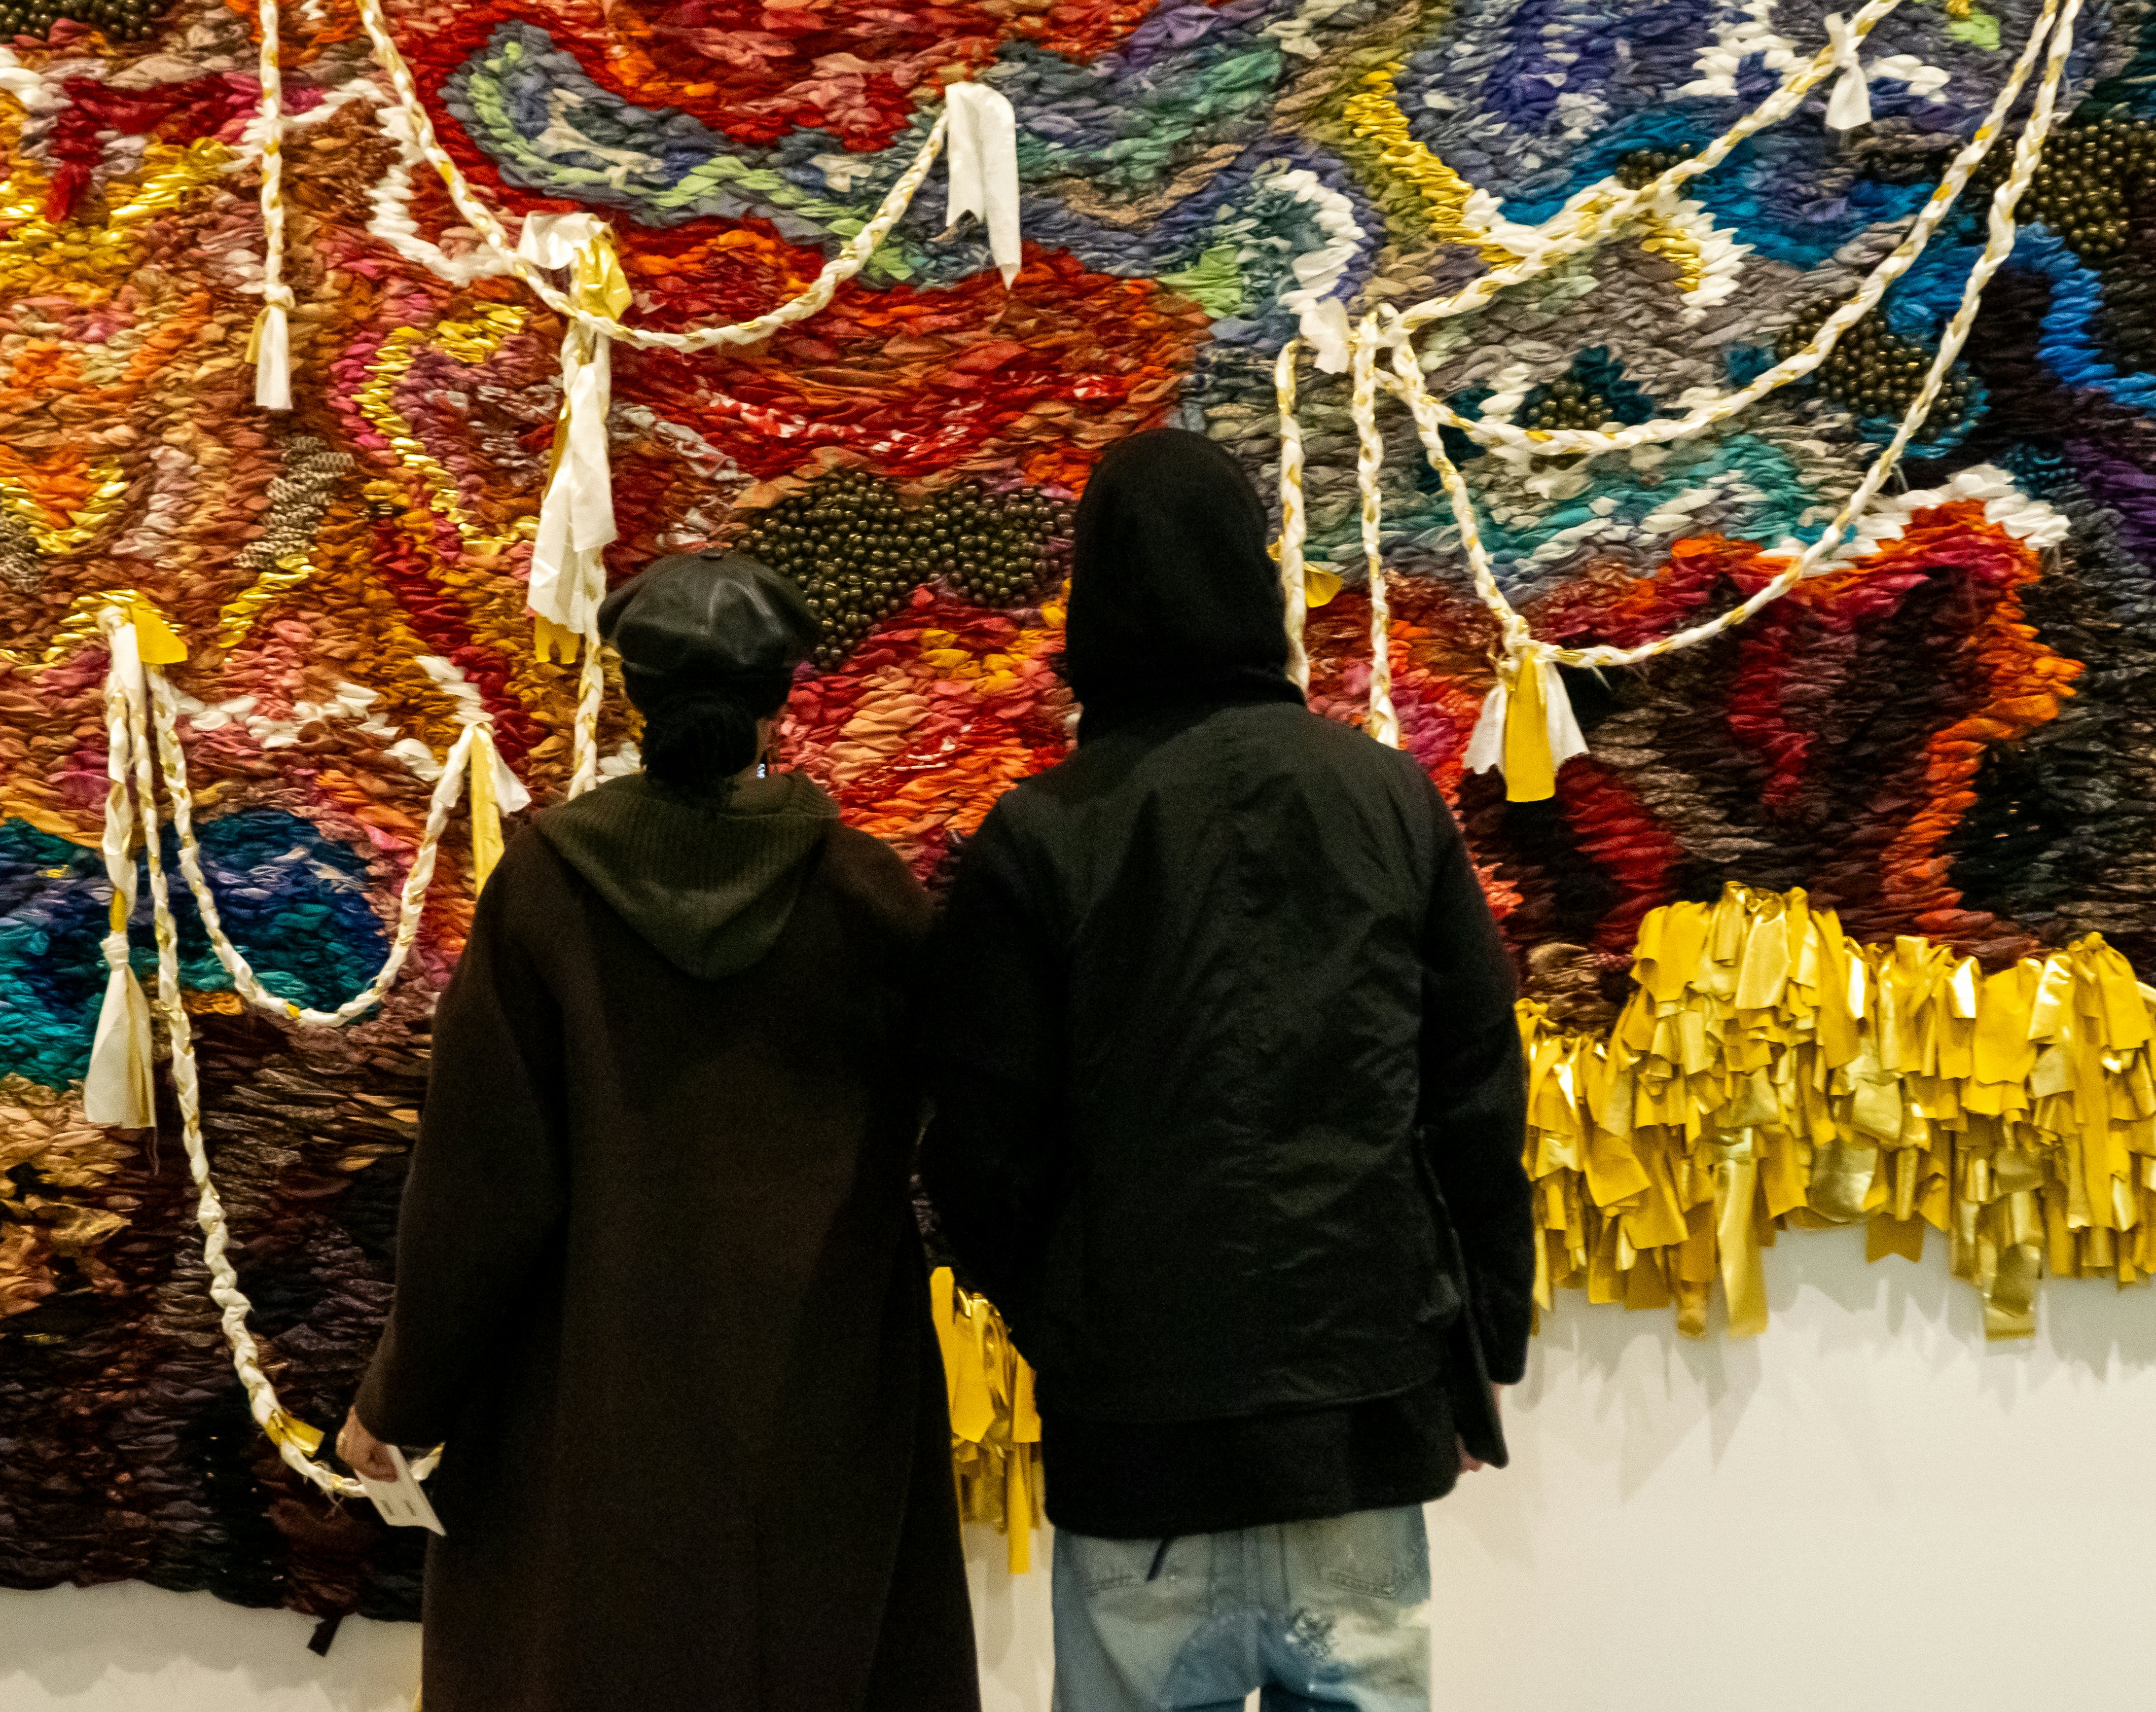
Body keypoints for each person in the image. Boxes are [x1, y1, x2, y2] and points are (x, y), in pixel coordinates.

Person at [920, 429, 1533, 1712]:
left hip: (1140, 1431)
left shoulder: (1040, 837)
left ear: (1091, 601)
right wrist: (1485, 1344)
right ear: (1259, 584)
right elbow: (1475, 1086)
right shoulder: (1386, 796)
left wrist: (1067, 1318)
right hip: (1361, 1408)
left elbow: (979, 1151)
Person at [341, 550, 979, 1712]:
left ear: (634, 691)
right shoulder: (868, 896)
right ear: (780, 695)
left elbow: (480, 1186)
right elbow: (969, 1131)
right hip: (826, 1407)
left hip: (593, 1413)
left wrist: (400, 1398)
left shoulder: (545, 889)